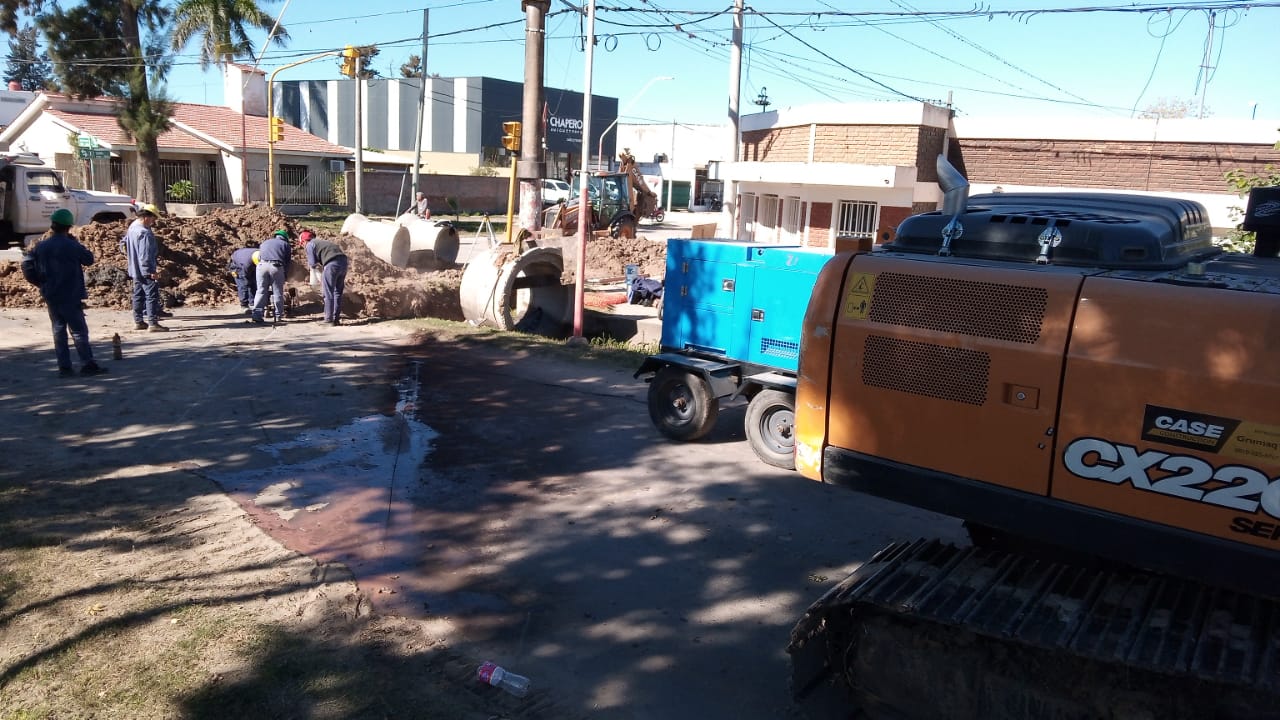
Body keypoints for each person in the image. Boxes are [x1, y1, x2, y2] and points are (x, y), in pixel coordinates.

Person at [23, 208, 106, 377]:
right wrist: (76, 243)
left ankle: (65, 367)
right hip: (71, 294)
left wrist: (39, 282)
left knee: (58, 330)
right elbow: (89, 259)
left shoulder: (41, 246)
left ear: (53, 225)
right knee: (78, 331)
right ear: (68, 227)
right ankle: (87, 364)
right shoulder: (72, 245)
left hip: (51, 294)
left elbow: (26, 265)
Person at [122, 203, 167, 332]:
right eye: (153, 218)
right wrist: (150, 271)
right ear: (147, 217)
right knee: (151, 295)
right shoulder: (145, 233)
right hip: (145, 270)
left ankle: (138, 321)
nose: (154, 221)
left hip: (135, 269)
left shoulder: (132, 227)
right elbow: (145, 254)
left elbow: (123, 244)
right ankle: (153, 323)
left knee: (138, 295)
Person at [300, 230, 349, 326]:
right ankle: (336, 319)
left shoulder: (310, 245)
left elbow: (313, 264)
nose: (303, 246)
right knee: (337, 292)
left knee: (328, 292)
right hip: (343, 263)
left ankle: (328, 320)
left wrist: (318, 277)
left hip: (331, 264)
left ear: (304, 241)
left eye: (302, 244)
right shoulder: (322, 242)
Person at [250, 229, 292, 324]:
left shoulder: (265, 242)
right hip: (276, 266)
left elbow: (259, 256)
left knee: (261, 290)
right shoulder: (285, 245)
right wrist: (285, 275)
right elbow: (287, 262)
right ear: (285, 238)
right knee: (277, 291)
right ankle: (278, 315)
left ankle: (256, 315)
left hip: (261, 266)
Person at [227, 246, 259, 314]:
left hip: (247, 260)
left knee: (253, 282)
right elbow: (245, 276)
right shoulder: (246, 264)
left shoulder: (260, 253)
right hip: (237, 265)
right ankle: (244, 306)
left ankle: (252, 303)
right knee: (243, 284)